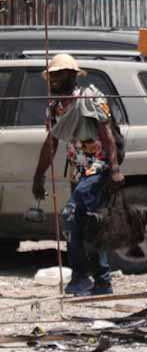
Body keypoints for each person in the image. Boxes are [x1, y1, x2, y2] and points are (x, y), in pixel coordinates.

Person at [30, 54, 122, 297]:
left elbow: (108, 136)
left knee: (71, 216)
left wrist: (114, 169)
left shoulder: (90, 99)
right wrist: (38, 176)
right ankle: (95, 282)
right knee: (85, 226)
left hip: (97, 168)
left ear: (71, 75)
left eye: (58, 75)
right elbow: (51, 144)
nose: (53, 80)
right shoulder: (54, 108)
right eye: (51, 76)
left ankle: (85, 278)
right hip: (77, 173)